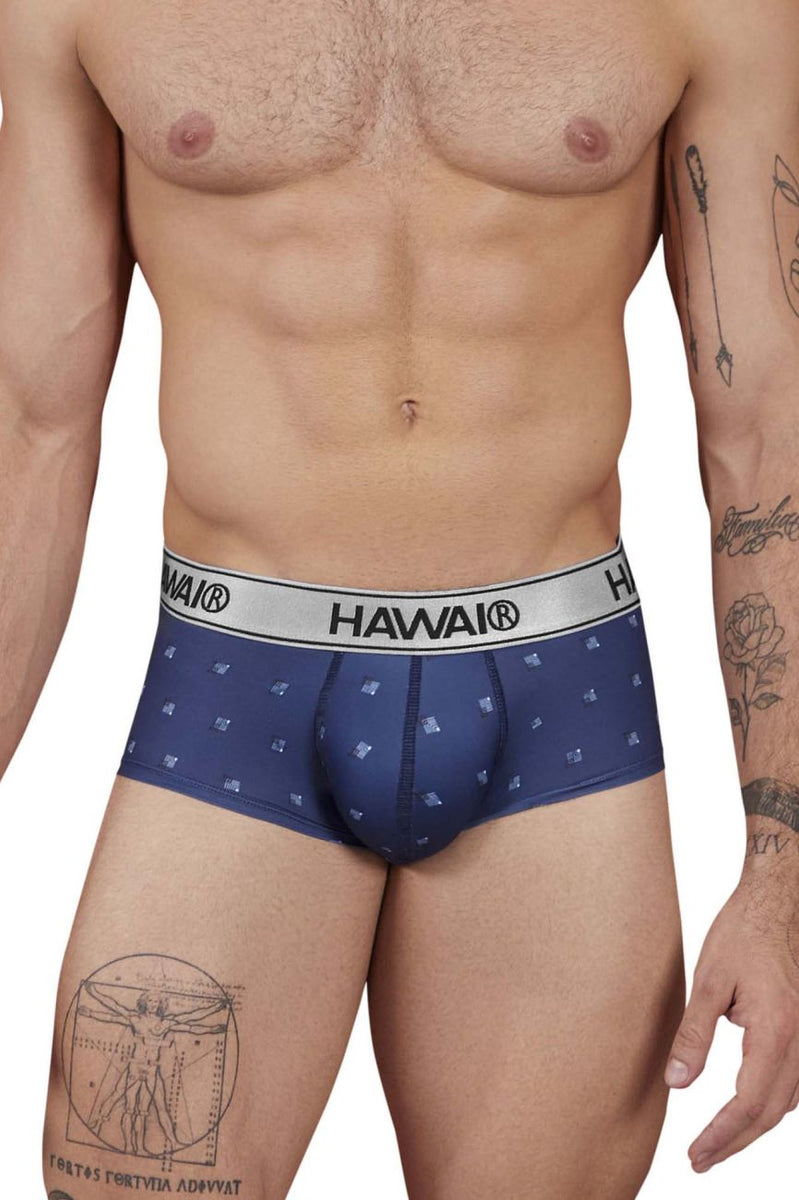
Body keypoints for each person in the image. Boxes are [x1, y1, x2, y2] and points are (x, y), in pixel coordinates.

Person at [1, 1, 798, 1196]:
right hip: (233, 693)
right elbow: (32, 426)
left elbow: (767, 431)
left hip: (559, 708)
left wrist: (784, 875)